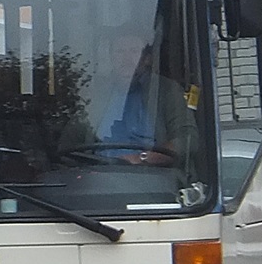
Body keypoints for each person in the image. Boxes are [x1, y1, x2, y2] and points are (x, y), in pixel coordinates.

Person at [65, 26, 196, 167]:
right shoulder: (96, 94)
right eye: (119, 51)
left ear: (147, 59)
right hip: (99, 178)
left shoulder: (166, 90)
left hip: (152, 178)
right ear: (111, 57)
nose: (126, 59)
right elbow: (68, 142)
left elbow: (188, 138)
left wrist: (143, 158)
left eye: (134, 51)